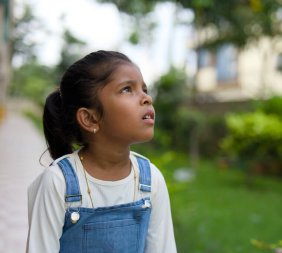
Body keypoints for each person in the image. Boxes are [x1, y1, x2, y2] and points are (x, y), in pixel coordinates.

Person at [26, 50, 177, 253]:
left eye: (144, 89)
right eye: (127, 89)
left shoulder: (150, 180)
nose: (146, 98)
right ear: (90, 119)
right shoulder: (58, 182)